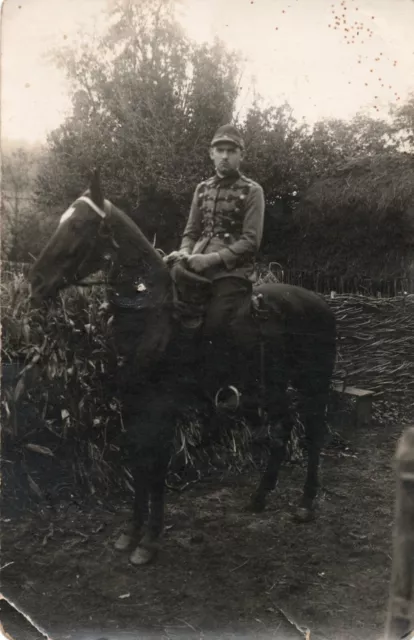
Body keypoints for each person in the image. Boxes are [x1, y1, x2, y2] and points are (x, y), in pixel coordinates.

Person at [165, 123, 265, 338]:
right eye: (220, 150)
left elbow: (251, 240)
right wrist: (184, 251)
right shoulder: (202, 189)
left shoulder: (252, 191)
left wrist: (210, 259)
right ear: (211, 153)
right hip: (196, 265)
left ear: (241, 155)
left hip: (233, 273)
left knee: (216, 325)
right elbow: (191, 232)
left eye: (231, 151)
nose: (225, 156)